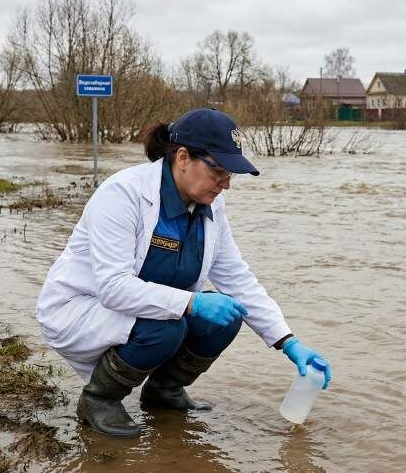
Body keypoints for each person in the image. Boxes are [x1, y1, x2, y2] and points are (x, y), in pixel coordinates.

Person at [36, 108, 332, 438]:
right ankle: (99, 400)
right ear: (182, 157)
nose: (225, 185)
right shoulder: (123, 194)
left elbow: (237, 278)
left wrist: (287, 341)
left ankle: (164, 392)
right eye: (218, 172)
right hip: (84, 308)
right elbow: (114, 288)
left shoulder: (211, 206)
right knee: (170, 325)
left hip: (152, 315)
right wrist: (191, 303)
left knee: (225, 317)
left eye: (230, 175)